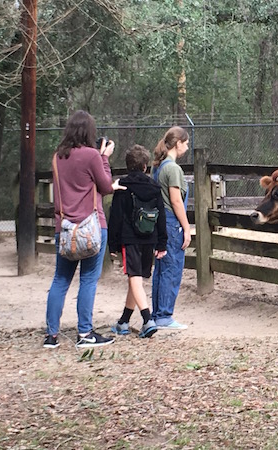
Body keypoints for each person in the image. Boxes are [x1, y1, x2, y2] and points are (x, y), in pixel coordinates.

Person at [43, 110, 117, 349]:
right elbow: (105, 186)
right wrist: (104, 157)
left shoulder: (57, 157)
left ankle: (51, 335)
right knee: (88, 279)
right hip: (91, 227)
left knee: (60, 279)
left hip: (64, 229)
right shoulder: (91, 155)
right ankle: (85, 333)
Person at [108, 145, 168, 338]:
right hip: (149, 239)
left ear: (128, 166)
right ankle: (123, 322)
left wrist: (113, 244)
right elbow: (161, 217)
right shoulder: (154, 187)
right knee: (136, 280)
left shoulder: (123, 187)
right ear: (145, 166)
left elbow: (115, 217)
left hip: (130, 239)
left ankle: (147, 319)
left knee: (134, 278)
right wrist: (162, 243)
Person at [151, 126, 191, 330]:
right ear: (178, 144)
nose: (187, 146)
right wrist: (186, 227)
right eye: (186, 143)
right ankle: (165, 315)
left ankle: (157, 313)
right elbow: (176, 201)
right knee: (171, 269)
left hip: (159, 222)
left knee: (160, 268)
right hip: (171, 223)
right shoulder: (173, 169)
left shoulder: (158, 167)